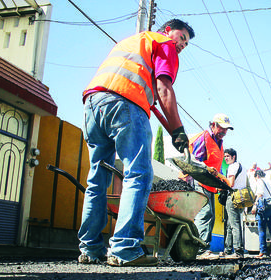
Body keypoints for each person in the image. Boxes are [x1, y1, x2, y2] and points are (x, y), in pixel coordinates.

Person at [78, 19, 195, 267]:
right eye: (182, 36)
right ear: (167, 31)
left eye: (186, 42)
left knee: (97, 177)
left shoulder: (135, 43)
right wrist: (179, 131)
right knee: (138, 174)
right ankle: (124, 248)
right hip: (126, 103)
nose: (183, 43)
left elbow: (154, 101)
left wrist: (172, 130)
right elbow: (164, 89)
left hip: (94, 103)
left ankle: (90, 248)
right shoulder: (165, 44)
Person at [190, 113, 233, 258]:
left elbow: (218, 168)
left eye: (226, 129)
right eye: (222, 128)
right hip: (199, 181)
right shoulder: (205, 138)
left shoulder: (219, 144)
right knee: (204, 215)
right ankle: (199, 250)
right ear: (213, 125)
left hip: (209, 185)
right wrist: (206, 168)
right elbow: (194, 160)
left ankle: (204, 248)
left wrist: (222, 184)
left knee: (211, 216)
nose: (224, 132)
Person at [221, 148, 247, 258]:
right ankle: (227, 250)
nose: (226, 158)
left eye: (228, 156)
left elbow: (230, 183)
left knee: (234, 224)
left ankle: (238, 251)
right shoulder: (242, 167)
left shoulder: (232, 167)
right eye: (225, 156)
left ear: (233, 157)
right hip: (240, 198)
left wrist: (221, 178)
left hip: (232, 197)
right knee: (229, 224)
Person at [251, 169, 271, 258]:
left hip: (263, 209)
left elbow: (260, 194)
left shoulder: (260, 181)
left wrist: (254, 206)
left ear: (257, 176)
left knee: (262, 229)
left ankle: (263, 251)